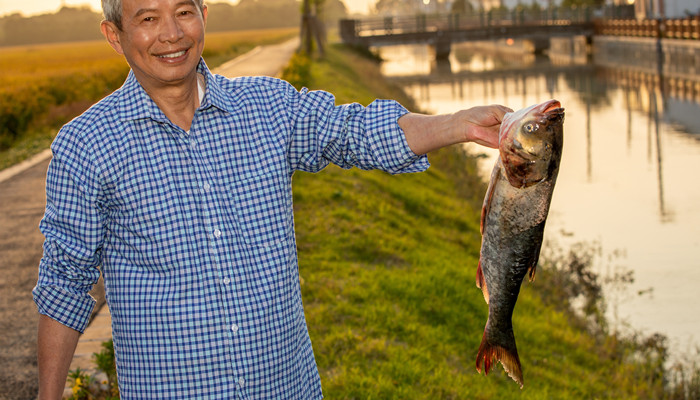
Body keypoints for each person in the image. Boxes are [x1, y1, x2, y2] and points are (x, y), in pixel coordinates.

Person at [33, 0, 511, 399]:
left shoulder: (267, 107)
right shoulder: (87, 145)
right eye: (148, 18)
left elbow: (355, 131)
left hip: (287, 386)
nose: (172, 34)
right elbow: (64, 285)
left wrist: (458, 124)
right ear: (115, 35)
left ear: (204, 15)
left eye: (184, 11)